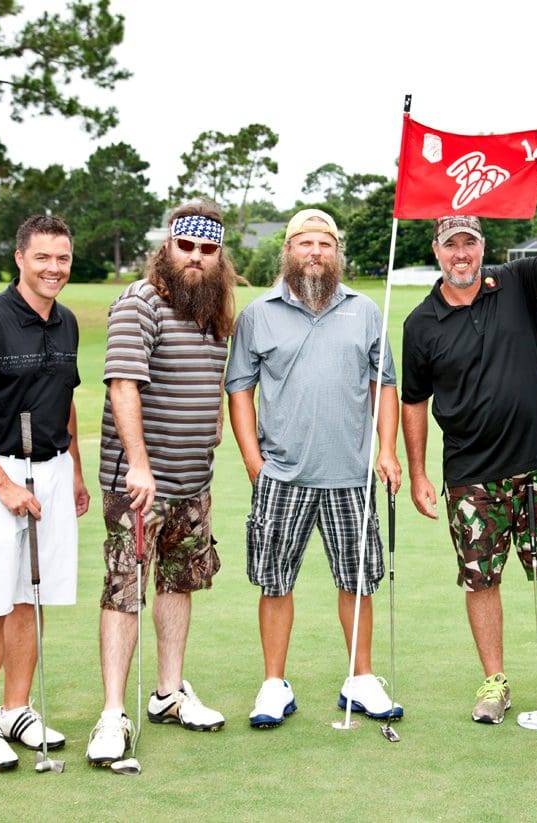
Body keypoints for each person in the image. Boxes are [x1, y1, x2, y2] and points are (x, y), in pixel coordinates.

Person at [401, 147, 537, 724]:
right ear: (436, 250)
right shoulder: (420, 323)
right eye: (451, 244)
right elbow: (414, 402)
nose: (461, 253)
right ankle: (494, 682)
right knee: (480, 579)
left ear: (482, 246)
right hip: (470, 475)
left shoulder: (515, 283)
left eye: (470, 242)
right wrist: (418, 473)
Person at [226, 208, 403, 728]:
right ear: (288, 250)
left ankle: (360, 678)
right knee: (275, 582)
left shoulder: (365, 310)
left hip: (351, 474)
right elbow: (240, 390)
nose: (315, 252)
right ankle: (273, 684)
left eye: (325, 244)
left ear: (336, 253)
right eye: (305, 243)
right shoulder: (258, 314)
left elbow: (384, 385)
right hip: (283, 475)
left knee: (358, 580)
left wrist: (387, 450)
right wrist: (254, 462)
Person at [85, 199, 234, 766]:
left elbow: (208, 378)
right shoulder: (139, 303)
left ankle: (169, 693)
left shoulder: (210, 310)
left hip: (194, 481)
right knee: (125, 588)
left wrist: (212, 422)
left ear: (219, 256)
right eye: (186, 246)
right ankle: (111, 713)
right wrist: (139, 464)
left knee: (179, 583)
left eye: (207, 249)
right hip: (140, 485)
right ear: (167, 247)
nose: (196, 257)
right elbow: (123, 385)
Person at [0, 214, 89, 771]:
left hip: (51, 469)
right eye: (43, 257)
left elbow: (65, 401)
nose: (54, 268)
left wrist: (74, 472)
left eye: (63, 258)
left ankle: (16, 708)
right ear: (20, 258)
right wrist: (2, 485)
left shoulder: (67, 322)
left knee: (31, 598)